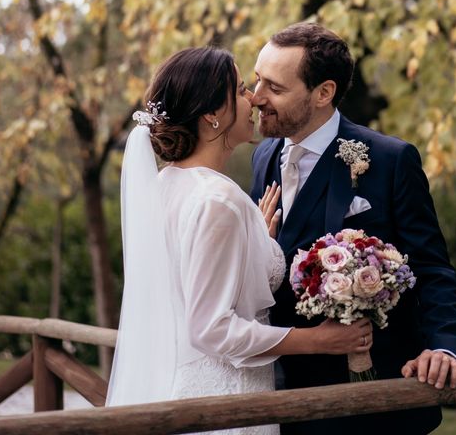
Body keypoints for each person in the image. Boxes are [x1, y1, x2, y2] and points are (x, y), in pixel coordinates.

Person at [106, 47, 373, 435]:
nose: (254, 100)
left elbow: (189, 285)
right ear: (212, 115)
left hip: (184, 389)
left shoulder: (166, 185)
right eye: (242, 89)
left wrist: (255, 244)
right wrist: (319, 340)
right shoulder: (219, 200)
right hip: (227, 401)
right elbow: (212, 328)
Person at [249, 23, 456, 434]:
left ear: (323, 93)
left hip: (376, 401)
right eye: (257, 78)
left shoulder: (390, 160)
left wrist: (442, 347)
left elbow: (433, 269)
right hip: (282, 399)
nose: (256, 96)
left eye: (274, 87)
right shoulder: (263, 157)